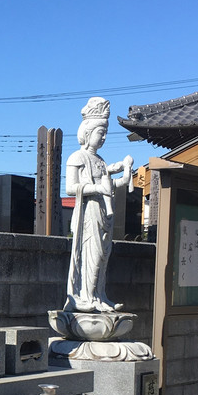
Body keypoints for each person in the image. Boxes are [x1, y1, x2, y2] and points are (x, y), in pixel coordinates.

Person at [64, 97, 134, 313]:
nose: (102, 137)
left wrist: (128, 170)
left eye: (105, 133)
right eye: (99, 132)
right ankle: (86, 296)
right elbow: (70, 188)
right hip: (89, 213)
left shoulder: (102, 161)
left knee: (103, 257)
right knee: (91, 255)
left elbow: (115, 185)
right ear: (86, 133)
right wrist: (96, 189)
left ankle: (99, 295)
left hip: (104, 214)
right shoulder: (78, 156)